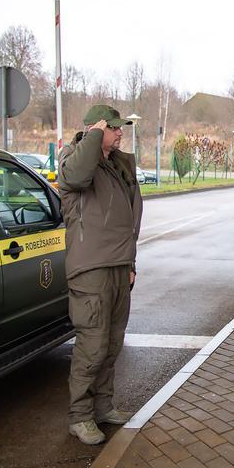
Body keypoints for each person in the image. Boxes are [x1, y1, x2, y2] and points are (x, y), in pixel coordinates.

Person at [58, 104, 143, 445]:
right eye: (114, 127)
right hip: (90, 268)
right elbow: (76, 178)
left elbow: (130, 222)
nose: (121, 132)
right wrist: (93, 134)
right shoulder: (76, 160)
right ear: (96, 129)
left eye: (121, 127)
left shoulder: (116, 165)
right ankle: (79, 416)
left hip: (119, 266)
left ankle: (104, 406)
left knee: (111, 343)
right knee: (92, 346)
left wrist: (131, 264)